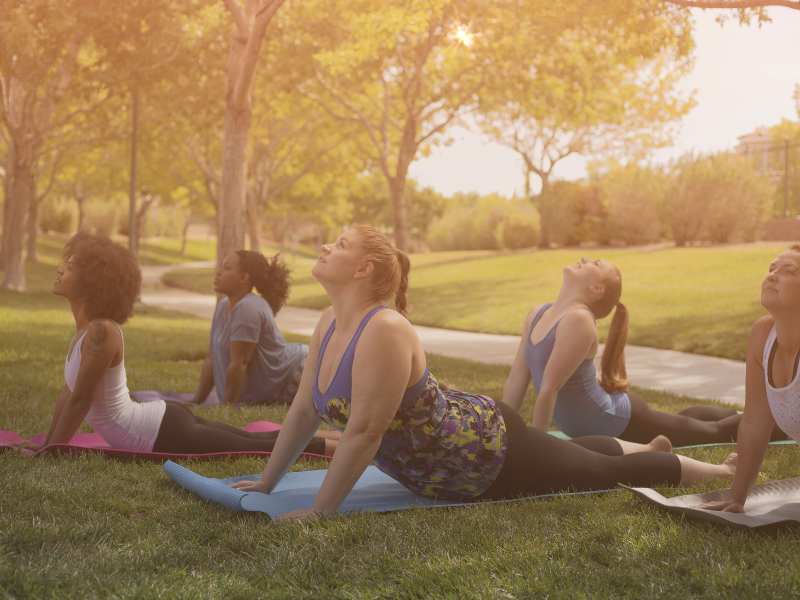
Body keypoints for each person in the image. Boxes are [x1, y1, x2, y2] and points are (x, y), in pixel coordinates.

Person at [229, 226, 737, 523]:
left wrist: (320, 513)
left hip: (484, 450)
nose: (324, 248)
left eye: (338, 245)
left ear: (364, 271)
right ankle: (651, 451)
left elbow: (363, 434)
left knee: (602, 474)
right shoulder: (328, 322)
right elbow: (302, 411)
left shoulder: (383, 329)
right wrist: (268, 485)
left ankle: (719, 472)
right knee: (576, 460)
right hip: (446, 470)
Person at [9, 233, 337, 457]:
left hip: (162, 431)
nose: (59, 269)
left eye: (71, 267)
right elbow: (68, 393)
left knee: (259, 446)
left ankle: (343, 447)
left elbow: (81, 401)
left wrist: (52, 453)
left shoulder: (101, 332)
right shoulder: (85, 332)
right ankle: (343, 440)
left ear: (93, 279)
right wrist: (46, 445)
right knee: (255, 439)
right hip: (162, 419)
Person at [500, 256, 775, 448]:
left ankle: (772, 418)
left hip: (617, 420)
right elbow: (516, 380)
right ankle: (738, 412)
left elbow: (549, 388)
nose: (584, 258)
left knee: (711, 433)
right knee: (682, 421)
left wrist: (532, 448)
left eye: (595, 263)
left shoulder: (578, 321)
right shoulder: (537, 313)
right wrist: (506, 433)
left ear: (596, 288)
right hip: (608, 413)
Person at [695, 244, 800, 513]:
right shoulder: (763, 333)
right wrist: (736, 499)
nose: (772, 276)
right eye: (772, 269)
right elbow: (754, 423)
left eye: (789, 271)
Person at [190, 250, 308, 407]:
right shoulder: (223, 306)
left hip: (297, 372)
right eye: (221, 267)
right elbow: (210, 360)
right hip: (274, 383)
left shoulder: (249, 308)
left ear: (244, 277)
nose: (218, 272)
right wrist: (196, 402)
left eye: (227, 268)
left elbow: (240, 363)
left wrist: (226, 406)